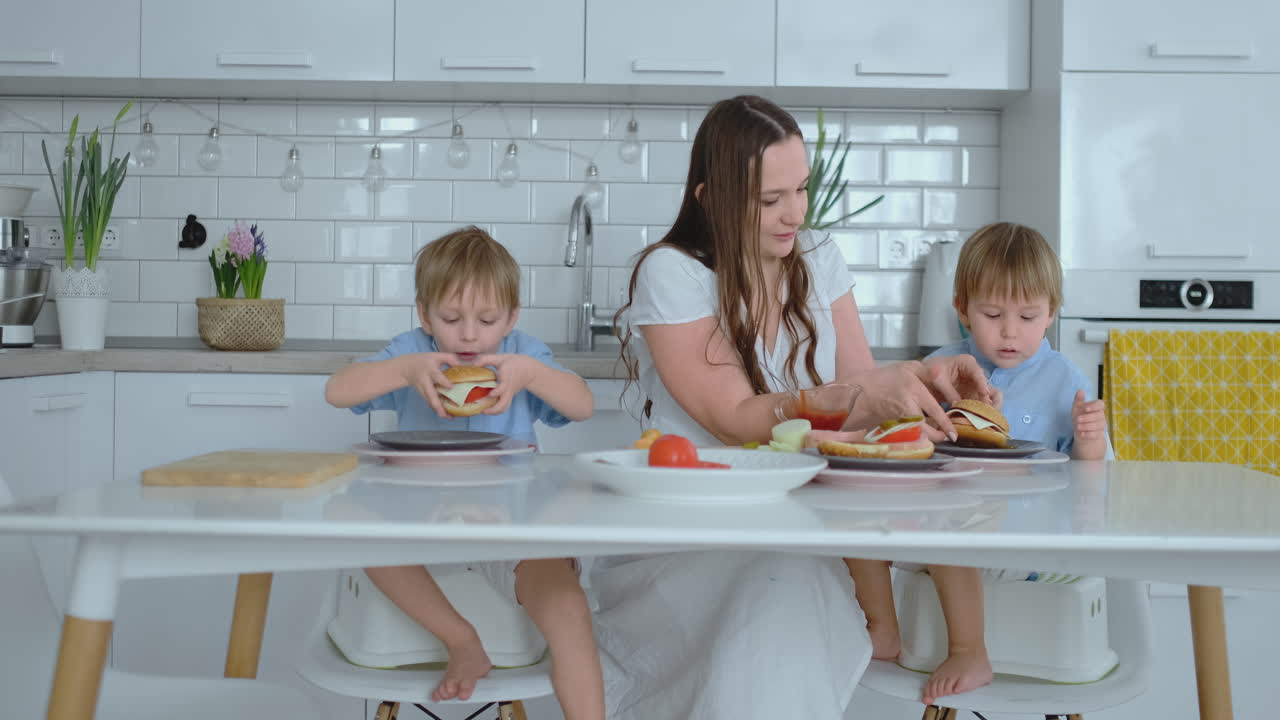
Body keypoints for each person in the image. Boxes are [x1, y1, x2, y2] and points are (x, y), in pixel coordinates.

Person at [598, 95, 995, 719]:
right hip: (692, 530)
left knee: (790, 588)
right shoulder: (671, 272)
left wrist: (926, 375)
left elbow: (863, 387)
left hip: (807, 522)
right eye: (769, 200)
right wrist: (859, 396)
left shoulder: (818, 259)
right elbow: (734, 419)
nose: (795, 214)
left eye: (801, 189)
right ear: (711, 197)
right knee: (778, 595)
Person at [324, 226, 603, 719]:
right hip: (418, 525)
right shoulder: (414, 353)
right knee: (356, 526)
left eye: (488, 319)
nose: (470, 334)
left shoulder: (522, 357)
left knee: (569, 607)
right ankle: (461, 638)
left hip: (513, 532)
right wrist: (406, 370)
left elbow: (582, 406)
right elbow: (338, 390)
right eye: (451, 318)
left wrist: (532, 375)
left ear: (512, 318)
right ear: (425, 315)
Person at [848, 221, 1111, 706]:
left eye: (1028, 316)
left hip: (1024, 538)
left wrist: (1090, 440)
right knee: (852, 515)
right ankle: (883, 626)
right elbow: (907, 441)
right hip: (942, 522)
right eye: (992, 314)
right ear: (962, 308)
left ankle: (969, 651)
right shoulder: (943, 365)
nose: (1010, 331)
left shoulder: (1062, 377)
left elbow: (1090, 478)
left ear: (1051, 313)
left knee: (952, 530)